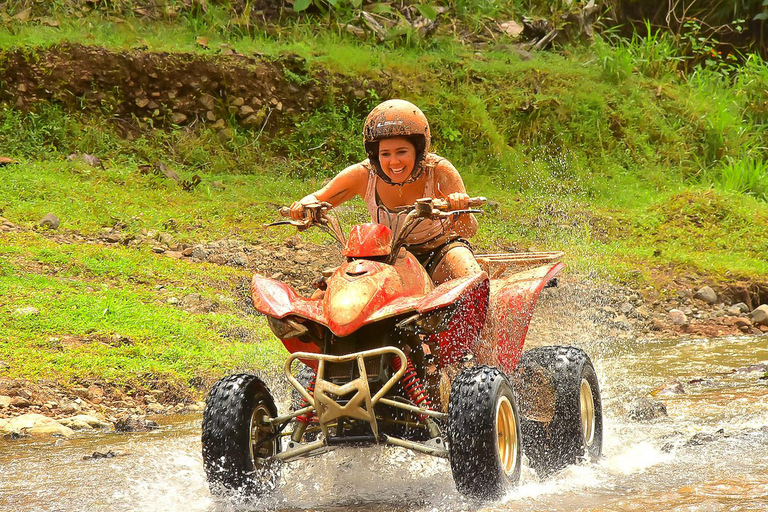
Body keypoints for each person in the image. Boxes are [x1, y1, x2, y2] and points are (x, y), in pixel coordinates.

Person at [289, 99, 481, 284]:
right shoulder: (364, 175)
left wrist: (460, 210)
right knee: (333, 290)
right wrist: (302, 207)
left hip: (439, 252)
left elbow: (468, 231)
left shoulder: (439, 171)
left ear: (418, 150)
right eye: (385, 154)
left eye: (402, 152)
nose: (394, 162)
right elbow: (318, 197)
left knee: (469, 274)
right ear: (375, 155)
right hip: (383, 257)